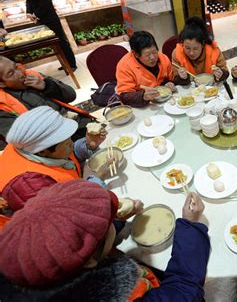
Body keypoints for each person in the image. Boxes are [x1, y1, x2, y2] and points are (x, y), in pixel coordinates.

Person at [0, 179, 211, 301]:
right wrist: (190, 226)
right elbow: (184, 291)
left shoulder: (36, 269)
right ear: (91, 257)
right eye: (109, 220)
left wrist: (113, 222)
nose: (113, 218)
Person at [0, 106, 110, 192]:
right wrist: (98, 178)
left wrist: (89, 145)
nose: (71, 144)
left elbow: (67, 157)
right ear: (43, 151)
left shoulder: (30, 147)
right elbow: (77, 209)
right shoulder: (33, 184)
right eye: (67, 143)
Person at [0, 56, 92, 150]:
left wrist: (46, 86)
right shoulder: (2, 106)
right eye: (11, 74)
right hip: (54, 146)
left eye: (16, 67)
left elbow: (71, 95)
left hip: (78, 124)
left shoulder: (34, 76)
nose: (20, 74)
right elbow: (21, 141)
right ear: (1, 84)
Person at [116, 31, 176, 108]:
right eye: (147, 55)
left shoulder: (163, 58)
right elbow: (124, 96)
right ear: (136, 54)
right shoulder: (124, 66)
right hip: (141, 107)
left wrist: (169, 83)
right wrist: (143, 96)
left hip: (164, 102)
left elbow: (170, 78)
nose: (153, 57)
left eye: (154, 52)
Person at [21, 0, 77, 70]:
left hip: (50, 19)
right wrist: (28, 12)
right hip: (41, 19)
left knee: (61, 41)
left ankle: (72, 64)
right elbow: (28, 1)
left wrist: (36, 16)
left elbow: (45, 4)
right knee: (55, 45)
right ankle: (65, 63)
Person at [172, 16, 228, 85]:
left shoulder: (213, 50)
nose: (191, 53)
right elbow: (174, 79)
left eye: (195, 48)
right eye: (187, 48)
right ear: (182, 43)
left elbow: (225, 71)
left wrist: (221, 73)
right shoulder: (177, 53)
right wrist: (181, 78)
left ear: (203, 44)